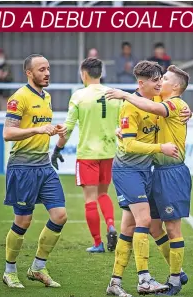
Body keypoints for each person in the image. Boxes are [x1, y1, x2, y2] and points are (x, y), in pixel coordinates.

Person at [106, 65, 192, 295]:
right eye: (156, 79)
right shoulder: (147, 102)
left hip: (168, 173)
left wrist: (125, 94)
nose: (159, 82)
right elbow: (133, 134)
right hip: (138, 170)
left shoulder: (169, 103)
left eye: (163, 79)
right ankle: (144, 279)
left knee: (154, 226)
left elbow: (155, 107)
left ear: (173, 87)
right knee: (148, 224)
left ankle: (173, 278)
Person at [2, 54, 67, 289]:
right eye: (41, 69)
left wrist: (58, 131)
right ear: (29, 73)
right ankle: (9, 271)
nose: (47, 73)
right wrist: (39, 130)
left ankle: (38, 267)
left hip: (43, 166)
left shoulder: (46, 96)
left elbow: (41, 127)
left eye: (48, 68)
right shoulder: (18, 98)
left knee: (60, 215)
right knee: (24, 220)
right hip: (22, 166)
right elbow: (8, 134)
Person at [51, 57, 121, 253]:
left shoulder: (79, 96)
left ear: (84, 74)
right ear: (101, 73)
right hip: (108, 153)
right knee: (104, 194)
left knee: (90, 199)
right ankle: (110, 225)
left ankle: (98, 243)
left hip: (88, 154)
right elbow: (122, 125)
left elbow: (67, 128)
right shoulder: (114, 94)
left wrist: (57, 149)